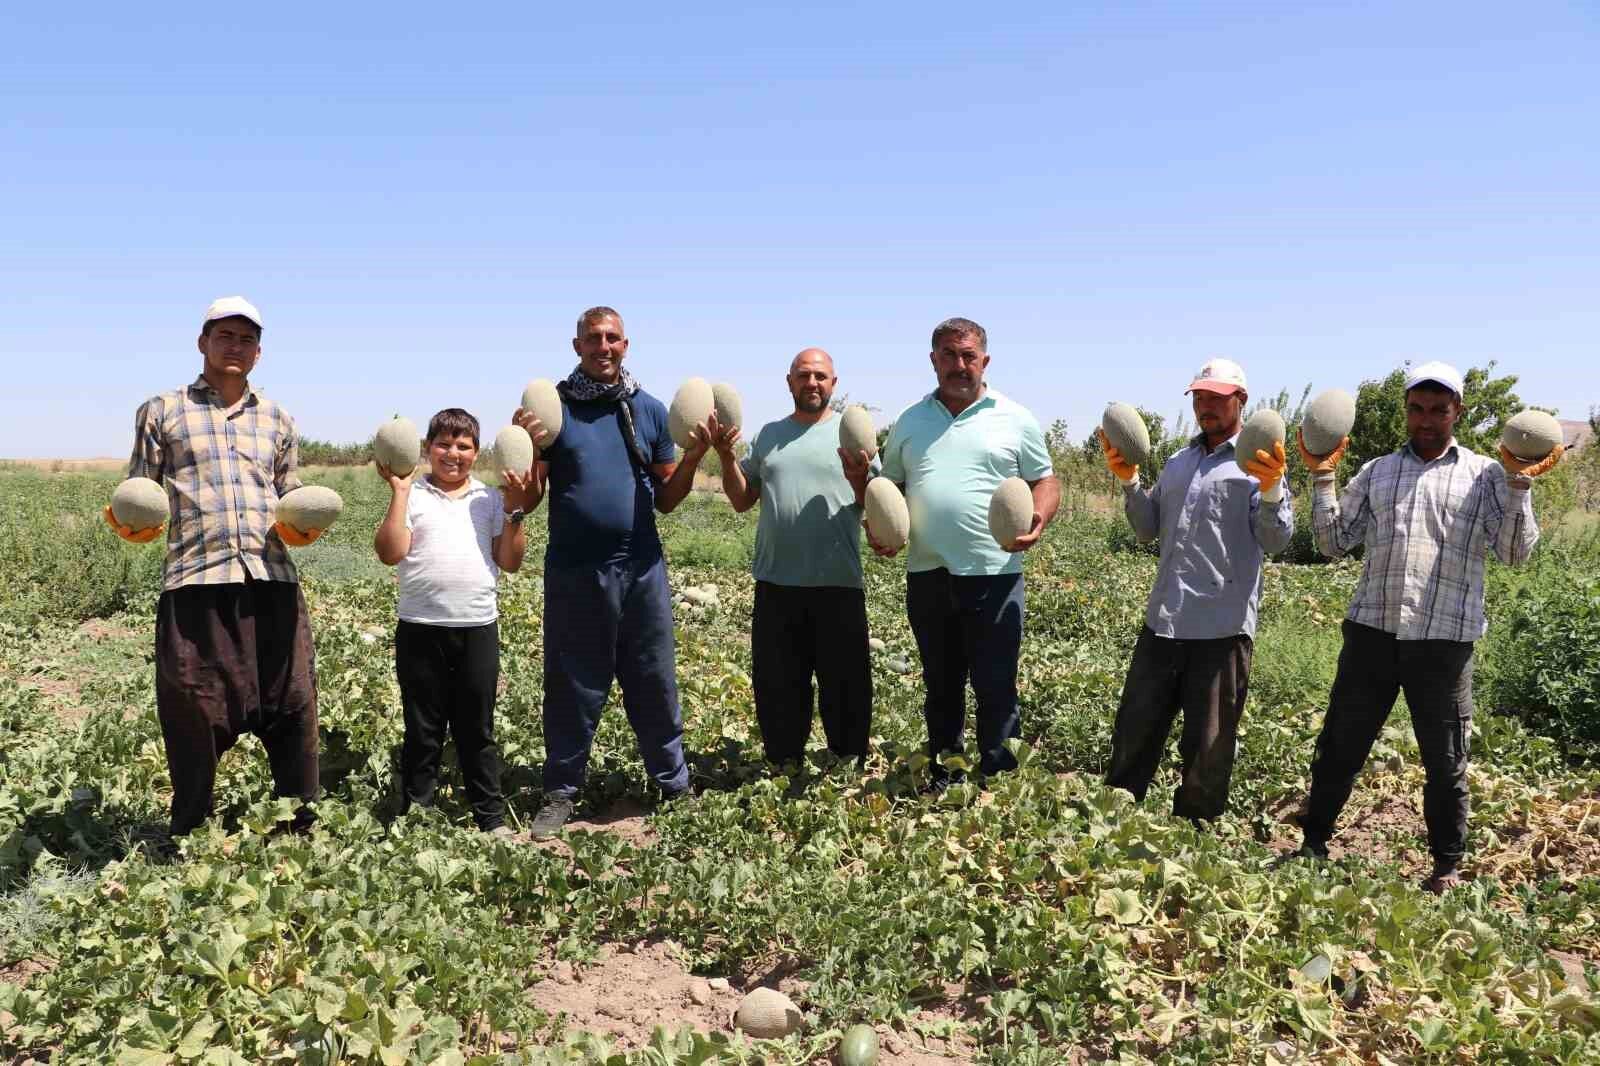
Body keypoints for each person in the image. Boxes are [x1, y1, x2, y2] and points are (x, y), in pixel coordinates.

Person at [1288, 361, 1563, 893]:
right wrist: (1322, 475)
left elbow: (1512, 553)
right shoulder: (1377, 472)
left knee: (1445, 759)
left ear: (1458, 411)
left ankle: (1446, 867)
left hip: (1444, 641)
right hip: (1373, 632)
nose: (1427, 420)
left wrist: (1519, 486)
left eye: (1439, 410)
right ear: (1406, 411)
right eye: (1417, 409)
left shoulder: (1487, 475)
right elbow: (1331, 541)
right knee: (1341, 746)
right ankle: (1313, 843)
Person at [106, 297, 322, 838]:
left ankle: (296, 825)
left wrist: (303, 521)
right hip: (196, 580)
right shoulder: (162, 410)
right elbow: (142, 491)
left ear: (259, 351)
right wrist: (134, 521)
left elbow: (288, 491)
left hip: (270, 578)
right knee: (193, 708)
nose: (235, 346)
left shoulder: (278, 418)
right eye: (224, 336)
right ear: (202, 342)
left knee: (291, 701)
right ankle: (192, 827)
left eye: (246, 339)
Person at [510, 307, 709, 838]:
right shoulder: (555, 409)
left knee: (653, 675)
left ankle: (672, 783)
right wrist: (527, 449)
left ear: (626, 345)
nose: (604, 346)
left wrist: (691, 459)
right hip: (575, 571)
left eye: (613, 338)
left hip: (641, 567)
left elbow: (666, 498)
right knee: (573, 680)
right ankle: (561, 792)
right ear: (576, 345)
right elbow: (529, 499)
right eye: (593, 339)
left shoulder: (647, 410)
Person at [863, 318, 1059, 788]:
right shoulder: (910, 421)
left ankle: (1000, 776)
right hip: (928, 573)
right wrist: (881, 526)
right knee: (941, 684)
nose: (959, 365)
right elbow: (891, 487)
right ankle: (946, 771)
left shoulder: (1015, 417)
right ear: (933, 360)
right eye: (948, 355)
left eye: (968, 355)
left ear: (984, 361)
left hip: (995, 573)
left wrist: (1038, 517)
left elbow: (1045, 480)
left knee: (996, 684)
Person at [1098, 358, 1293, 821]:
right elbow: (1147, 529)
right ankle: (1114, 824)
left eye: (1216, 398)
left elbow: (1276, 540)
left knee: (1209, 750)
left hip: (1221, 633)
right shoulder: (1178, 462)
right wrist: (1129, 483)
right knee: (1134, 735)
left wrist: (1271, 491)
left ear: (1240, 400)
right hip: (1163, 623)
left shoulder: (1256, 467)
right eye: (1199, 397)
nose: (1205, 407)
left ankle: (1193, 841)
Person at [373, 408, 536, 836]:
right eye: (444, 444)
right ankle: (418, 817)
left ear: (477, 454)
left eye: (463, 446)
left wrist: (515, 511)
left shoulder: (488, 499)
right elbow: (390, 552)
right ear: (427, 449)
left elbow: (510, 561)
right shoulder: (413, 495)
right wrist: (399, 491)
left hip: (477, 627)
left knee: (477, 729)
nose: (453, 453)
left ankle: (490, 818)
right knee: (422, 729)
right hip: (420, 627)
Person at [713, 348, 874, 767]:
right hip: (777, 584)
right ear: (789, 382)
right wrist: (728, 456)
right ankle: (784, 763)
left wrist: (860, 480)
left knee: (846, 684)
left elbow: (874, 504)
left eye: (820, 376)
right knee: (779, 685)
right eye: (804, 376)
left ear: (833, 383)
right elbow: (740, 499)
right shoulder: (769, 436)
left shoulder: (852, 436)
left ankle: (847, 762)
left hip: (838, 583)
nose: (812, 384)